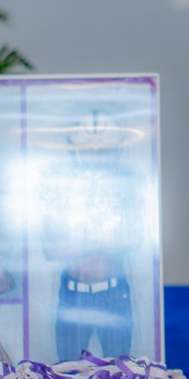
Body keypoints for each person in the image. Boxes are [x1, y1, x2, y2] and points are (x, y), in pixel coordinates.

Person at [39, 111, 143, 361]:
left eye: (102, 150)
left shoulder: (126, 183)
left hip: (113, 292)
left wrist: (80, 243)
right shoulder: (61, 185)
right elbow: (51, 248)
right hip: (74, 293)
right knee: (67, 371)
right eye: (89, 150)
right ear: (75, 149)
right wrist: (102, 241)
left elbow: (134, 238)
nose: (95, 156)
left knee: (121, 372)